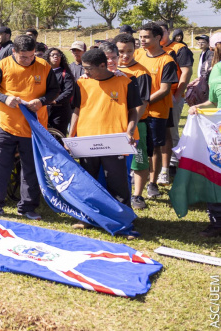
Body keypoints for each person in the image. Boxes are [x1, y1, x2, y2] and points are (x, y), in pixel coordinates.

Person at [0, 34, 60, 220]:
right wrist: (4, 98)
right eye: (23, 57)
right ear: (14, 51)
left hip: (33, 128)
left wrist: (42, 100)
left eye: (31, 56)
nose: (28, 60)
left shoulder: (44, 66)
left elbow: (55, 90)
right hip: (6, 125)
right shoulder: (4, 64)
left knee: (30, 168)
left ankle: (28, 206)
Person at [68, 48, 143, 225]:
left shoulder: (126, 81)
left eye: (88, 68)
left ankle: (123, 221)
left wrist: (130, 131)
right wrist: (71, 137)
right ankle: (87, 217)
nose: (85, 71)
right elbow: (77, 110)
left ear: (103, 65)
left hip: (114, 141)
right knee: (89, 181)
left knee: (118, 183)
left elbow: (133, 111)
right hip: (87, 140)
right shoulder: (82, 82)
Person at [136, 22, 178, 199]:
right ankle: (138, 178)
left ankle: (152, 183)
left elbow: (164, 89)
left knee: (154, 148)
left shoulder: (167, 60)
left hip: (156, 112)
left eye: (146, 37)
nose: (142, 40)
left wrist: (144, 103)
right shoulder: (137, 54)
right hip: (137, 111)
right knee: (139, 145)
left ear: (158, 38)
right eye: (140, 37)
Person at [187, 32, 221, 237]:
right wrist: (198, 107)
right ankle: (216, 222)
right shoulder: (216, 70)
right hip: (217, 131)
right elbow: (213, 101)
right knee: (214, 174)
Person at [115, 33, 154, 209]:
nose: (125, 55)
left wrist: (131, 125)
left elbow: (143, 102)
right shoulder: (110, 70)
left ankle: (137, 195)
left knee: (138, 159)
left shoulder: (141, 73)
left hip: (137, 125)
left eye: (129, 51)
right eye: (121, 51)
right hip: (114, 124)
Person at [162, 25, 194, 184]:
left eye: (162, 32)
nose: (159, 35)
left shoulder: (179, 48)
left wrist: (177, 94)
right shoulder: (150, 49)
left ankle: (174, 164)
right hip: (155, 98)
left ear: (168, 32)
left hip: (173, 95)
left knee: (172, 130)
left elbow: (186, 72)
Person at [43, 48, 75, 137]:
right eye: (53, 55)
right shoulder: (43, 72)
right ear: (48, 57)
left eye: (58, 55)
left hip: (60, 111)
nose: (55, 57)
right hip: (44, 110)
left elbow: (69, 91)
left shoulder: (65, 73)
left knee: (58, 138)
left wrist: (55, 101)